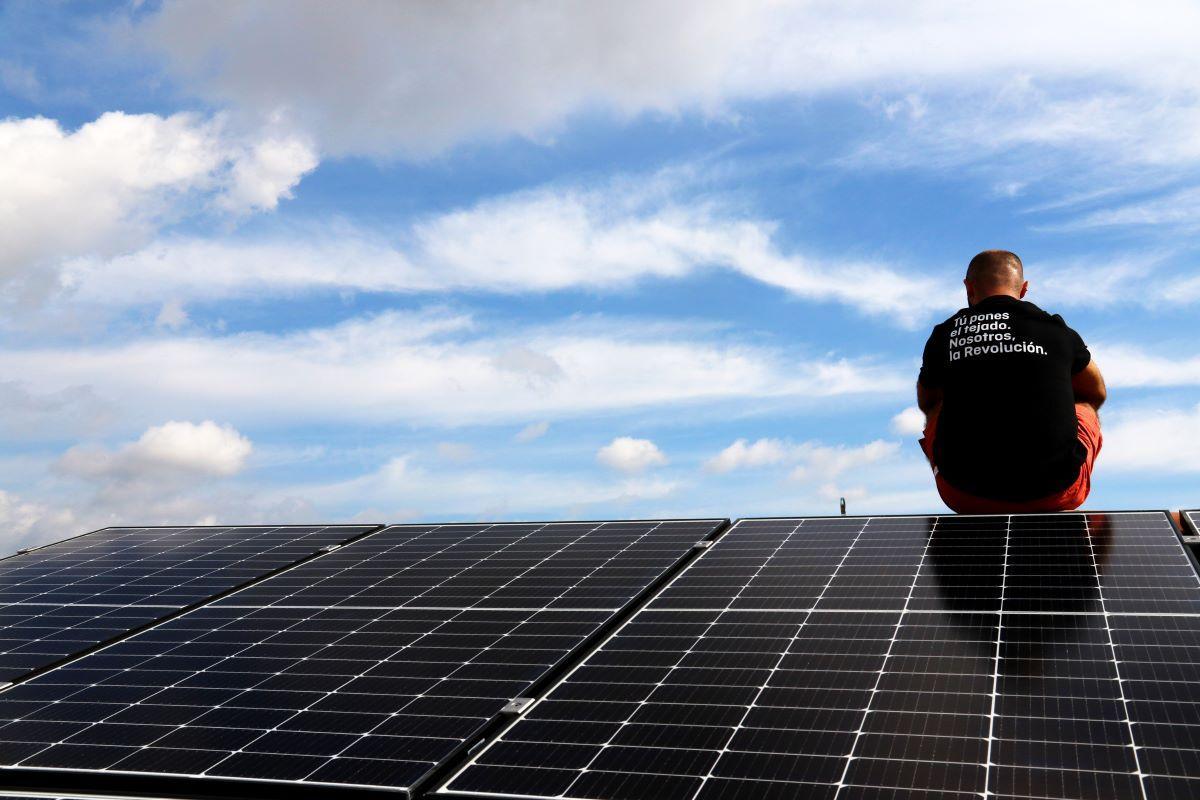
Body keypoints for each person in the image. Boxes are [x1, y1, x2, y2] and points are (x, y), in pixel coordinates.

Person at [917, 250, 1106, 514]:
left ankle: (964, 475)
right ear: (1024, 289)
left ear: (968, 287)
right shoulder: (1057, 330)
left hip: (962, 493)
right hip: (1056, 492)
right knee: (1085, 406)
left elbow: (926, 401)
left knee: (938, 408)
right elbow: (1096, 391)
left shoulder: (945, 333)